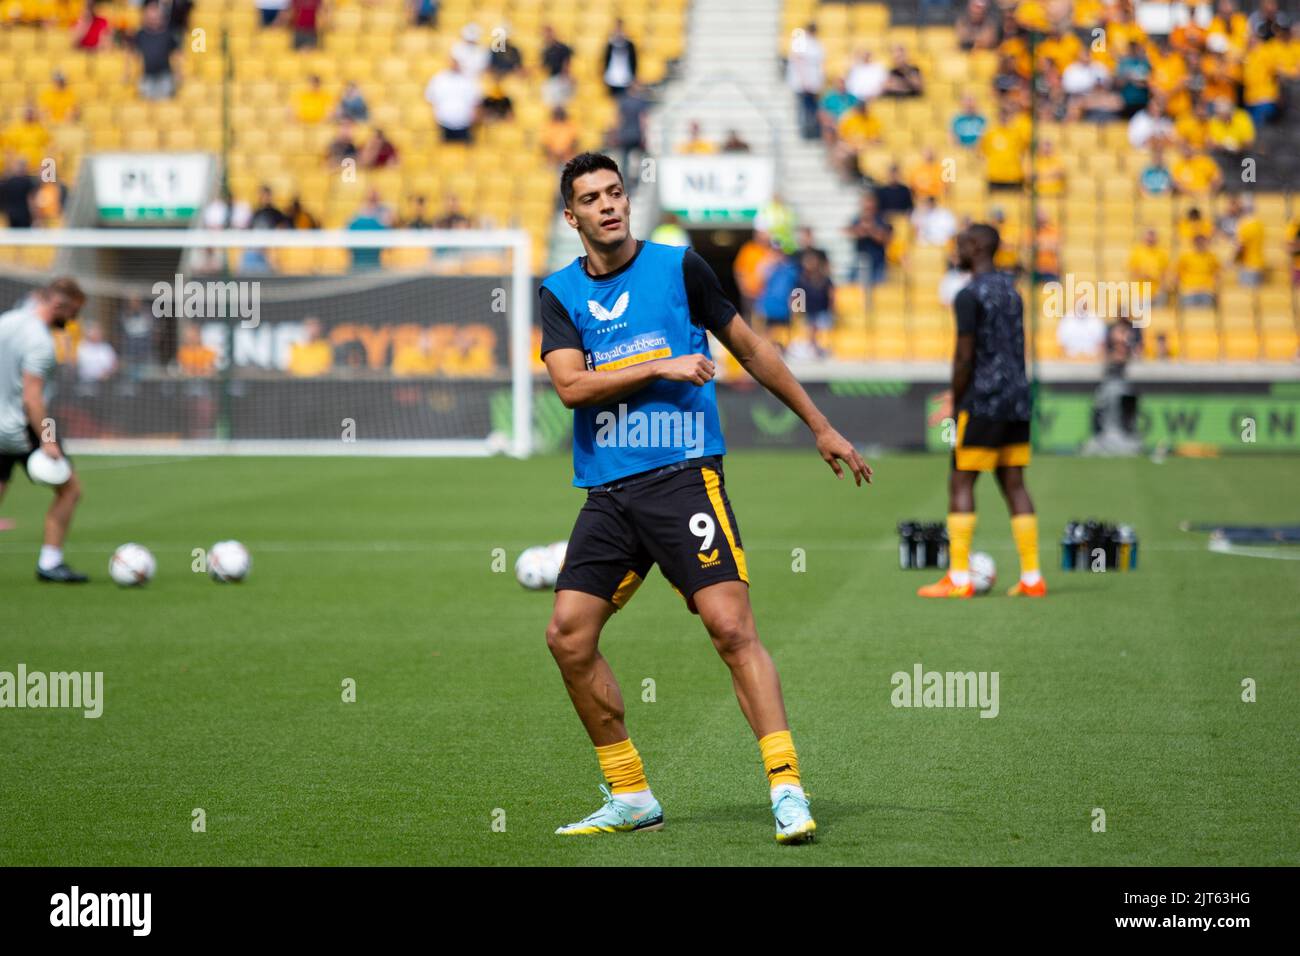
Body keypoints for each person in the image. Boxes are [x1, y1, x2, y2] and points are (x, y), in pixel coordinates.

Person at [537, 152, 870, 844]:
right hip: (610, 491)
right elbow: (569, 387)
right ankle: (630, 794)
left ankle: (786, 789)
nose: (609, 205)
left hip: (685, 475)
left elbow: (751, 349)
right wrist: (658, 362)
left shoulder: (680, 267)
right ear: (571, 216)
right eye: (592, 198)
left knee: (730, 627)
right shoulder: (560, 293)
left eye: (616, 192)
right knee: (568, 637)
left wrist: (821, 425)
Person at [919, 224, 1046, 599]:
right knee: (1015, 483)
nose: (954, 250)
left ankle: (958, 578)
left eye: (959, 244)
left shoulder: (968, 294)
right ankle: (1032, 576)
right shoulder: (1012, 290)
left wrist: (956, 401)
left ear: (975, 247)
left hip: (983, 400)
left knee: (960, 481)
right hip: (1017, 399)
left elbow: (964, 356)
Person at [0, 278, 90, 583]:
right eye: (73, 312)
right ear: (58, 306)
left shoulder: (7, 321)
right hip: (21, 426)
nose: (73, 320)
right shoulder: (40, 341)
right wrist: (48, 440)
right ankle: (50, 563)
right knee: (70, 489)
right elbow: (32, 398)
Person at [785, 22, 825, 140]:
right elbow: (798, 62)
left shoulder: (816, 43)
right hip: (803, 82)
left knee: (812, 108)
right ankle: (803, 133)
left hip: (813, 82)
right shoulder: (800, 42)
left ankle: (812, 132)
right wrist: (804, 80)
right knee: (803, 108)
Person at [133, 2, 179, 100]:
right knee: (146, 106)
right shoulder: (140, 34)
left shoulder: (168, 34)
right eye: (151, 15)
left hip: (164, 76)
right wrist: (130, 72)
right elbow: (133, 55)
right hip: (147, 76)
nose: (154, 18)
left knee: (165, 108)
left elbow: (176, 54)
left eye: (156, 15)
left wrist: (178, 72)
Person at [602, 19, 637, 98]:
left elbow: (634, 61)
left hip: (626, 78)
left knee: (624, 100)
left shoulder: (630, 45)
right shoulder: (610, 45)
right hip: (611, 77)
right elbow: (605, 60)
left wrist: (634, 77)